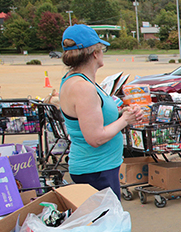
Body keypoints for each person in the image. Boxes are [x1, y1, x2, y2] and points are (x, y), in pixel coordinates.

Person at [58, 24, 144, 198]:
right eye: (102, 48)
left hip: (100, 168)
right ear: (95, 53)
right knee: (107, 223)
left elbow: (95, 117)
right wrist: (125, 120)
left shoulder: (78, 81)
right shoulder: (82, 87)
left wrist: (123, 115)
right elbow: (95, 138)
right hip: (96, 170)